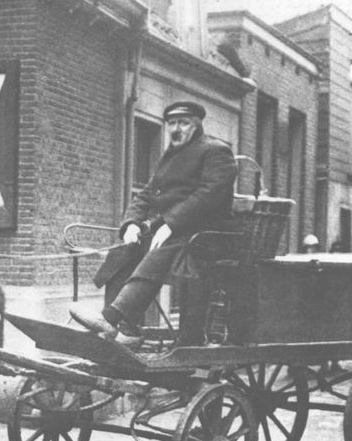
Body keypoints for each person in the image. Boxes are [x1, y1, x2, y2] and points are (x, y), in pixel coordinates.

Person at [69, 101, 237, 347]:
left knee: (162, 245)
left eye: (183, 123)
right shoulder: (170, 156)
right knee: (125, 250)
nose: (176, 129)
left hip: (208, 234)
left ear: (197, 125)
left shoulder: (215, 150)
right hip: (178, 231)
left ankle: (111, 318)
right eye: (171, 123)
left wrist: (171, 223)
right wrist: (132, 224)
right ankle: (127, 331)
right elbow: (146, 195)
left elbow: (210, 193)